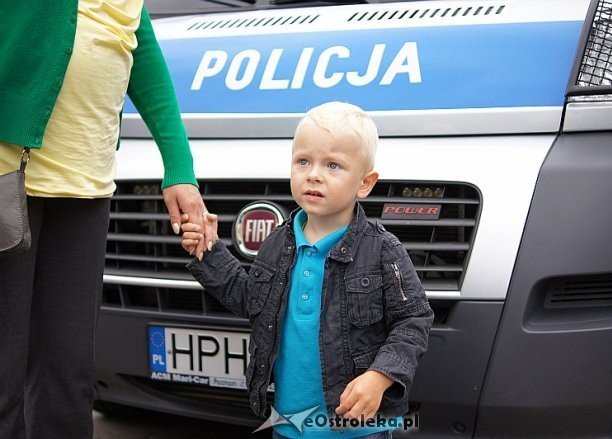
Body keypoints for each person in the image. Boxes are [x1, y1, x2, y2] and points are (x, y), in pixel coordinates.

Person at [0, 2, 213, 438]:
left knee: (70, 376)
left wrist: (179, 169)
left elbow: (146, 61)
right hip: (7, 179)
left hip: (86, 191)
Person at [181, 101, 434, 438]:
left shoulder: (382, 250)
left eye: (333, 165)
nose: (313, 174)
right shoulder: (276, 244)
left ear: (365, 183)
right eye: (303, 161)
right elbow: (251, 301)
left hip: (358, 429)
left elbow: (413, 320)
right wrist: (208, 252)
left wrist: (380, 376)